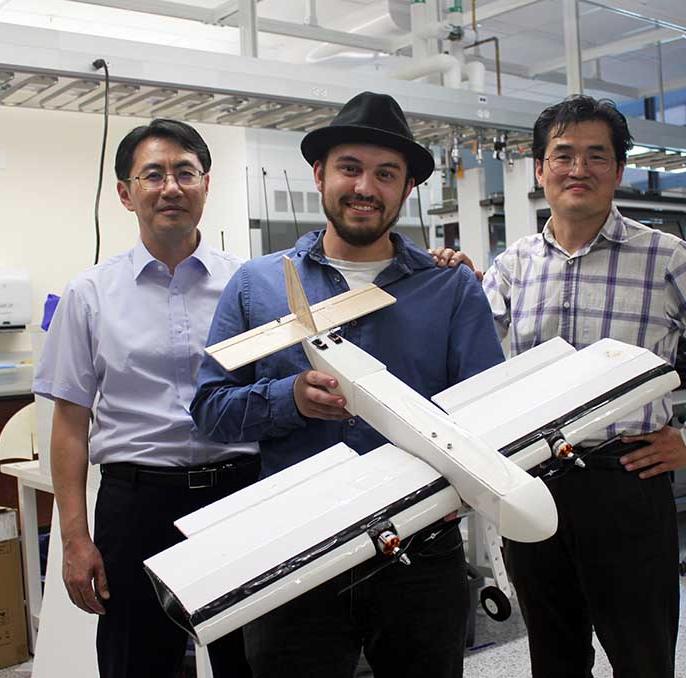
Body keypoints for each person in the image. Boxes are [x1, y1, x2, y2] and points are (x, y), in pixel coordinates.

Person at [437, 95, 686, 677]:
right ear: (540, 169)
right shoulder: (512, 266)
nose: (578, 169)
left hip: (625, 480)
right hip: (531, 481)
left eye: (597, 156)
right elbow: (475, 367)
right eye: (562, 155)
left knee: (641, 656)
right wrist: (455, 288)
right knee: (554, 653)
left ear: (619, 170)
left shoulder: (666, 258)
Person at [190, 91, 505, 678]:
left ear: (407, 189)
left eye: (386, 174)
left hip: (421, 550)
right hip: (295, 549)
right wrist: (290, 400)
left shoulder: (451, 289)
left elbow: (488, 417)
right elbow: (209, 409)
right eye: (350, 168)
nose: (365, 187)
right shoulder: (257, 286)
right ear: (319, 174)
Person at [33, 119, 258, 678]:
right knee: (137, 661)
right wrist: (74, 538)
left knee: (251, 658)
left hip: (240, 494)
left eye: (185, 172)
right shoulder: (90, 295)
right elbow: (68, 424)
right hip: (137, 506)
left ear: (207, 183)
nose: (171, 187)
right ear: (126, 193)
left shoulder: (250, 284)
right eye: (153, 174)